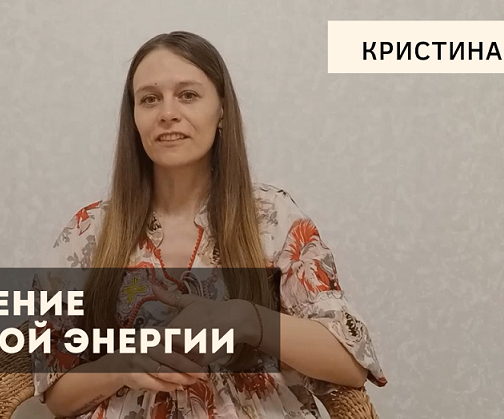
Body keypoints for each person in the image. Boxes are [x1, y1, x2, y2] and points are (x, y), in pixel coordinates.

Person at [30, 31, 387, 418]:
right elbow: (55, 394)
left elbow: (350, 363)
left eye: (188, 95)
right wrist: (123, 364)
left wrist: (247, 320)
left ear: (222, 111)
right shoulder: (87, 231)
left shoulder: (273, 217)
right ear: (133, 119)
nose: (167, 113)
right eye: (149, 99)